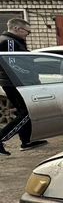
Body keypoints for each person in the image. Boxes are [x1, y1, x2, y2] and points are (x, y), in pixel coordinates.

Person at [0, 18, 48, 155]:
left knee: (25, 111)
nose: (28, 35)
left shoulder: (12, 41)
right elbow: (12, 64)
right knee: (26, 113)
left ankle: (26, 141)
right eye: (27, 32)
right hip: (15, 83)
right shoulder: (9, 41)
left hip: (15, 82)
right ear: (16, 29)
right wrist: (29, 74)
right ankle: (2, 138)